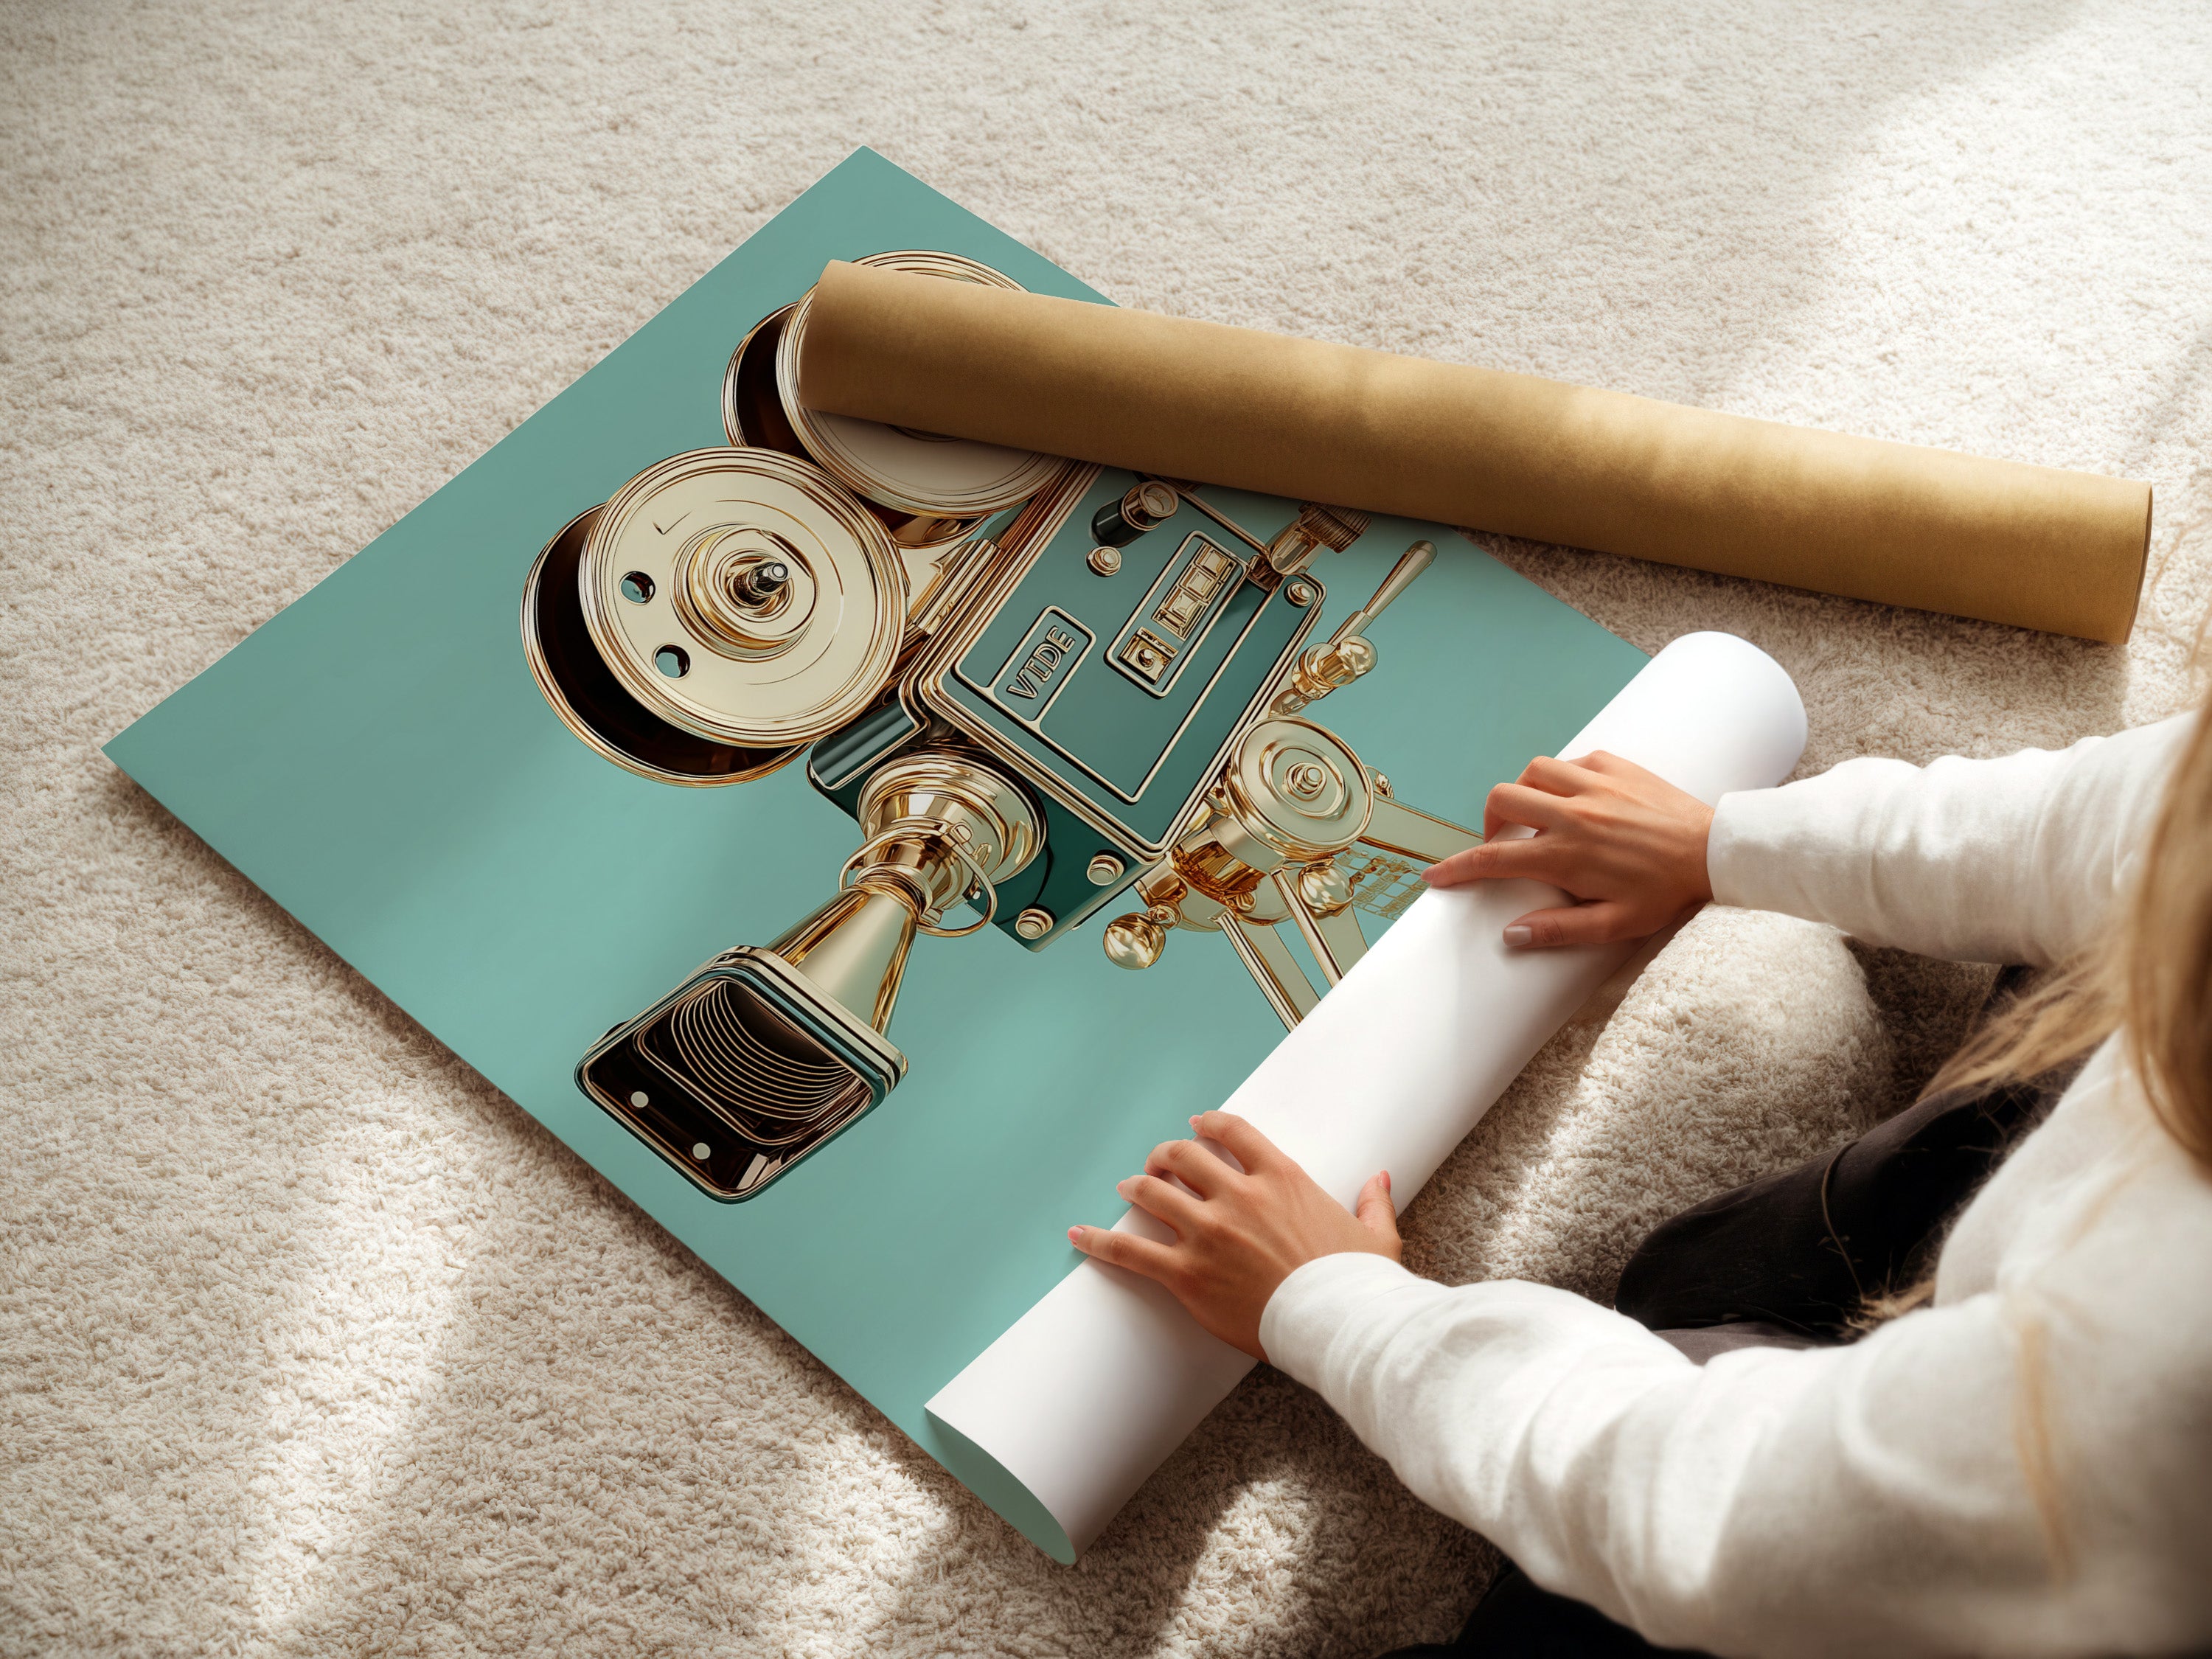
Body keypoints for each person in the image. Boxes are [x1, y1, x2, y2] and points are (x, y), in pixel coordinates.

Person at [1068, 699, 2212, 1657]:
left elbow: (1716, 1513)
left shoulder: (2158, 1375)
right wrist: (1721, 841)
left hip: (2055, 1552)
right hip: (2061, 1326)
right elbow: (2120, 818)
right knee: (1702, 1276)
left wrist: (1336, 1306)